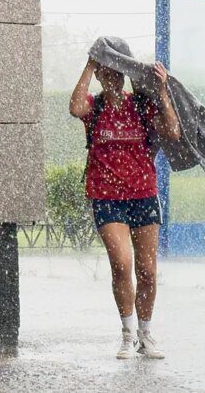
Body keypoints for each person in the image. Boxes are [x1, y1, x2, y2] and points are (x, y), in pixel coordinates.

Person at [69, 53, 180, 359]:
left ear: (125, 74)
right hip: (106, 196)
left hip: (142, 194)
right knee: (121, 264)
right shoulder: (96, 106)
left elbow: (172, 131)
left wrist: (162, 92)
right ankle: (127, 333)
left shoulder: (140, 105)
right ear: (100, 76)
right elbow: (74, 107)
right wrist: (90, 63)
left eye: (117, 73)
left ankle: (146, 334)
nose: (112, 78)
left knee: (147, 271)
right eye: (106, 73)